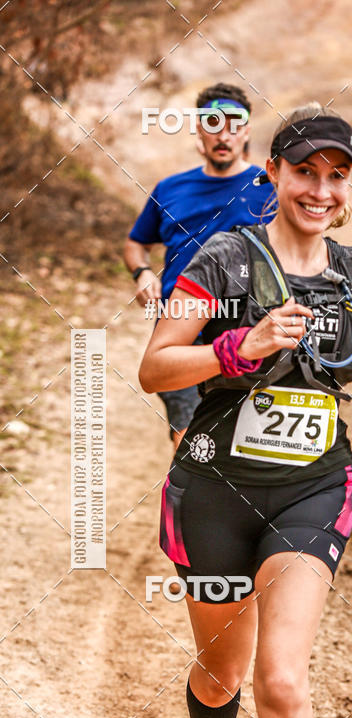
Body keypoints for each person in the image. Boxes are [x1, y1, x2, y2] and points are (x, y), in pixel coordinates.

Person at [139, 102, 352, 718]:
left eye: (337, 176)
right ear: (274, 175)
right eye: (305, 172)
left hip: (311, 488)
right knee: (221, 675)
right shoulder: (224, 258)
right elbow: (156, 367)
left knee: (281, 681)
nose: (321, 189)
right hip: (215, 490)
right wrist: (237, 345)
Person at [124, 82, 274, 448]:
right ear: (198, 130)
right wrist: (142, 272)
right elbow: (135, 243)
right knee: (193, 446)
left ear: (246, 131)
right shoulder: (169, 189)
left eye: (233, 125)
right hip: (181, 330)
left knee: (249, 446)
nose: (223, 135)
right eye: (212, 124)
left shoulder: (270, 188)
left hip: (249, 327)